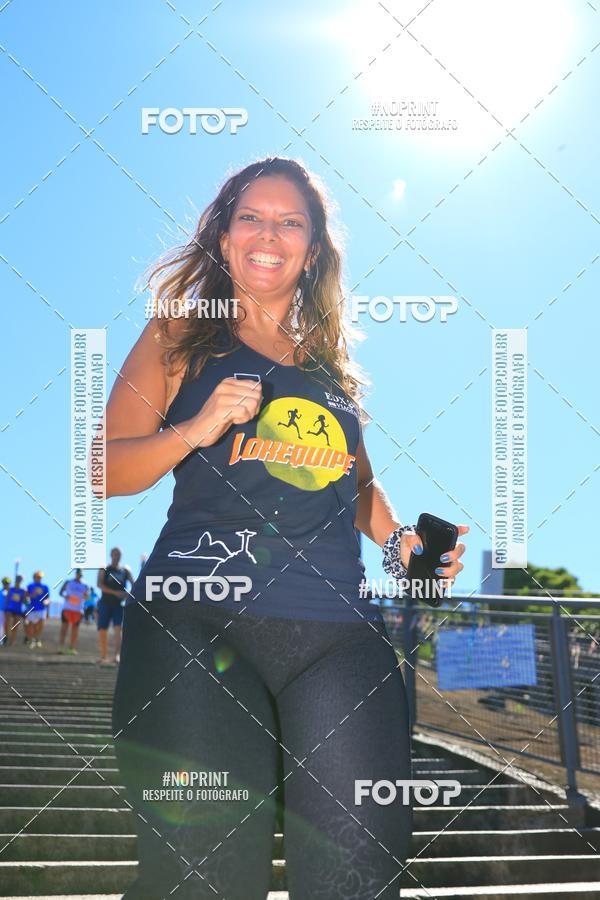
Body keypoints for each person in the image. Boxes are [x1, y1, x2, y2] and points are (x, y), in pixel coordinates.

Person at [103, 157, 468, 899]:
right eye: (252, 217)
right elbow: (104, 469)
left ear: (313, 249)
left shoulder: (331, 371)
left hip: (338, 636)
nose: (269, 234)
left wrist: (403, 547)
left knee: (358, 877)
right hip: (196, 625)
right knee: (203, 879)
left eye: (290, 222)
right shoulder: (180, 335)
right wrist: (197, 428)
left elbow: (357, 485)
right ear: (224, 237)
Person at [96, 548, 133, 664]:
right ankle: (103, 656)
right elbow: (99, 584)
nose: (117, 556)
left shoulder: (125, 570)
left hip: (119, 605)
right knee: (102, 629)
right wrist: (115, 593)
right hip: (105, 603)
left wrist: (128, 594)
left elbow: (134, 584)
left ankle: (117, 655)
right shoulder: (105, 568)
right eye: (115, 554)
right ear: (111, 555)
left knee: (118, 629)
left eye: (119, 554)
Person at [58, 569, 89, 655]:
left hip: (78, 610)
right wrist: (66, 596)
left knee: (75, 631)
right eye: (78, 574)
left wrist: (86, 596)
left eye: (81, 575)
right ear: (76, 574)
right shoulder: (68, 582)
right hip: (67, 608)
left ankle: (71, 648)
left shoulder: (85, 585)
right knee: (64, 629)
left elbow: (87, 597)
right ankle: (60, 647)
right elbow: (60, 592)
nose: (79, 576)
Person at [25, 571, 50, 648]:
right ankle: (31, 640)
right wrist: (30, 596)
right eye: (38, 577)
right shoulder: (29, 586)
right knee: (31, 625)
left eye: (40, 577)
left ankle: (37, 639)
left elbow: (48, 598)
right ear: (34, 577)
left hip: (41, 608)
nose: (39, 578)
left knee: (40, 624)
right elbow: (26, 597)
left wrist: (46, 603)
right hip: (32, 608)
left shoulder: (45, 587)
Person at [4, 575, 28, 646]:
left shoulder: (23, 591)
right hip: (9, 608)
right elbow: (6, 599)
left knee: (15, 625)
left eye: (20, 580)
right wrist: (5, 607)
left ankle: (12, 640)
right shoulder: (10, 589)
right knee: (7, 623)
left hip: (18, 610)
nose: (18, 581)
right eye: (17, 579)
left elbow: (25, 601)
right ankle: (7, 637)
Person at [0, 576, 9, 645]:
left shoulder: (11, 592)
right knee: (1, 626)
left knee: (5, 626)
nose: (6, 584)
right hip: (1, 611)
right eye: (5, 583)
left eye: (7, 583)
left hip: (8, 612)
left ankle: (4, 639)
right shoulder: (1, 592)